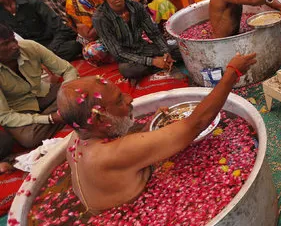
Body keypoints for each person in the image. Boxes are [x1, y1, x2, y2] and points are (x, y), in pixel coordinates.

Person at [57, 52, 256, 213]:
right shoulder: (111, 154)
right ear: (100, 119)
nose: (129, 99)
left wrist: (146, 128)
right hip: (128, 216)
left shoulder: (77, 139)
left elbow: (124, 148)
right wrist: (232, 74)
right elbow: (195, 125)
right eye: (119, 101)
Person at [0, 23, 78, 149]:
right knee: (29, 139)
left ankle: (63, 112)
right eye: (5, 44)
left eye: (13, 40)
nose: (14, 46)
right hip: (19, 109)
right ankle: (68, 112)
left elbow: (67, 70)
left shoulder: (30, 46)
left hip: (43, 92)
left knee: (82, 90)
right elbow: (4, 116)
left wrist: (66, 94)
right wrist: (49, 119)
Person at [92, 0, 179, 80]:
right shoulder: (100, 18)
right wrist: (152, 61)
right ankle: (158, 64)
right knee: (128, 70)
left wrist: (166, 52)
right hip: (128, 58)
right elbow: (118, 53)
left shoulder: (136, 6)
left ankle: (162, 61)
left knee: (178, 49)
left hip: (144, 48)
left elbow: (154, 33)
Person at [0, 0, 82, 61]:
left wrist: (48, 51)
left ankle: (44, 61)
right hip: (25, 52)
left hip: (50, 44)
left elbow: (61, 29)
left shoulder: (31, 1)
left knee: (73, 46)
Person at [65, 0, 111, 66]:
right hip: (93, 41)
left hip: (109, 33)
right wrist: (105, 13)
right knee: (94, 52)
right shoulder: (74, 2)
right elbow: (89, 36)